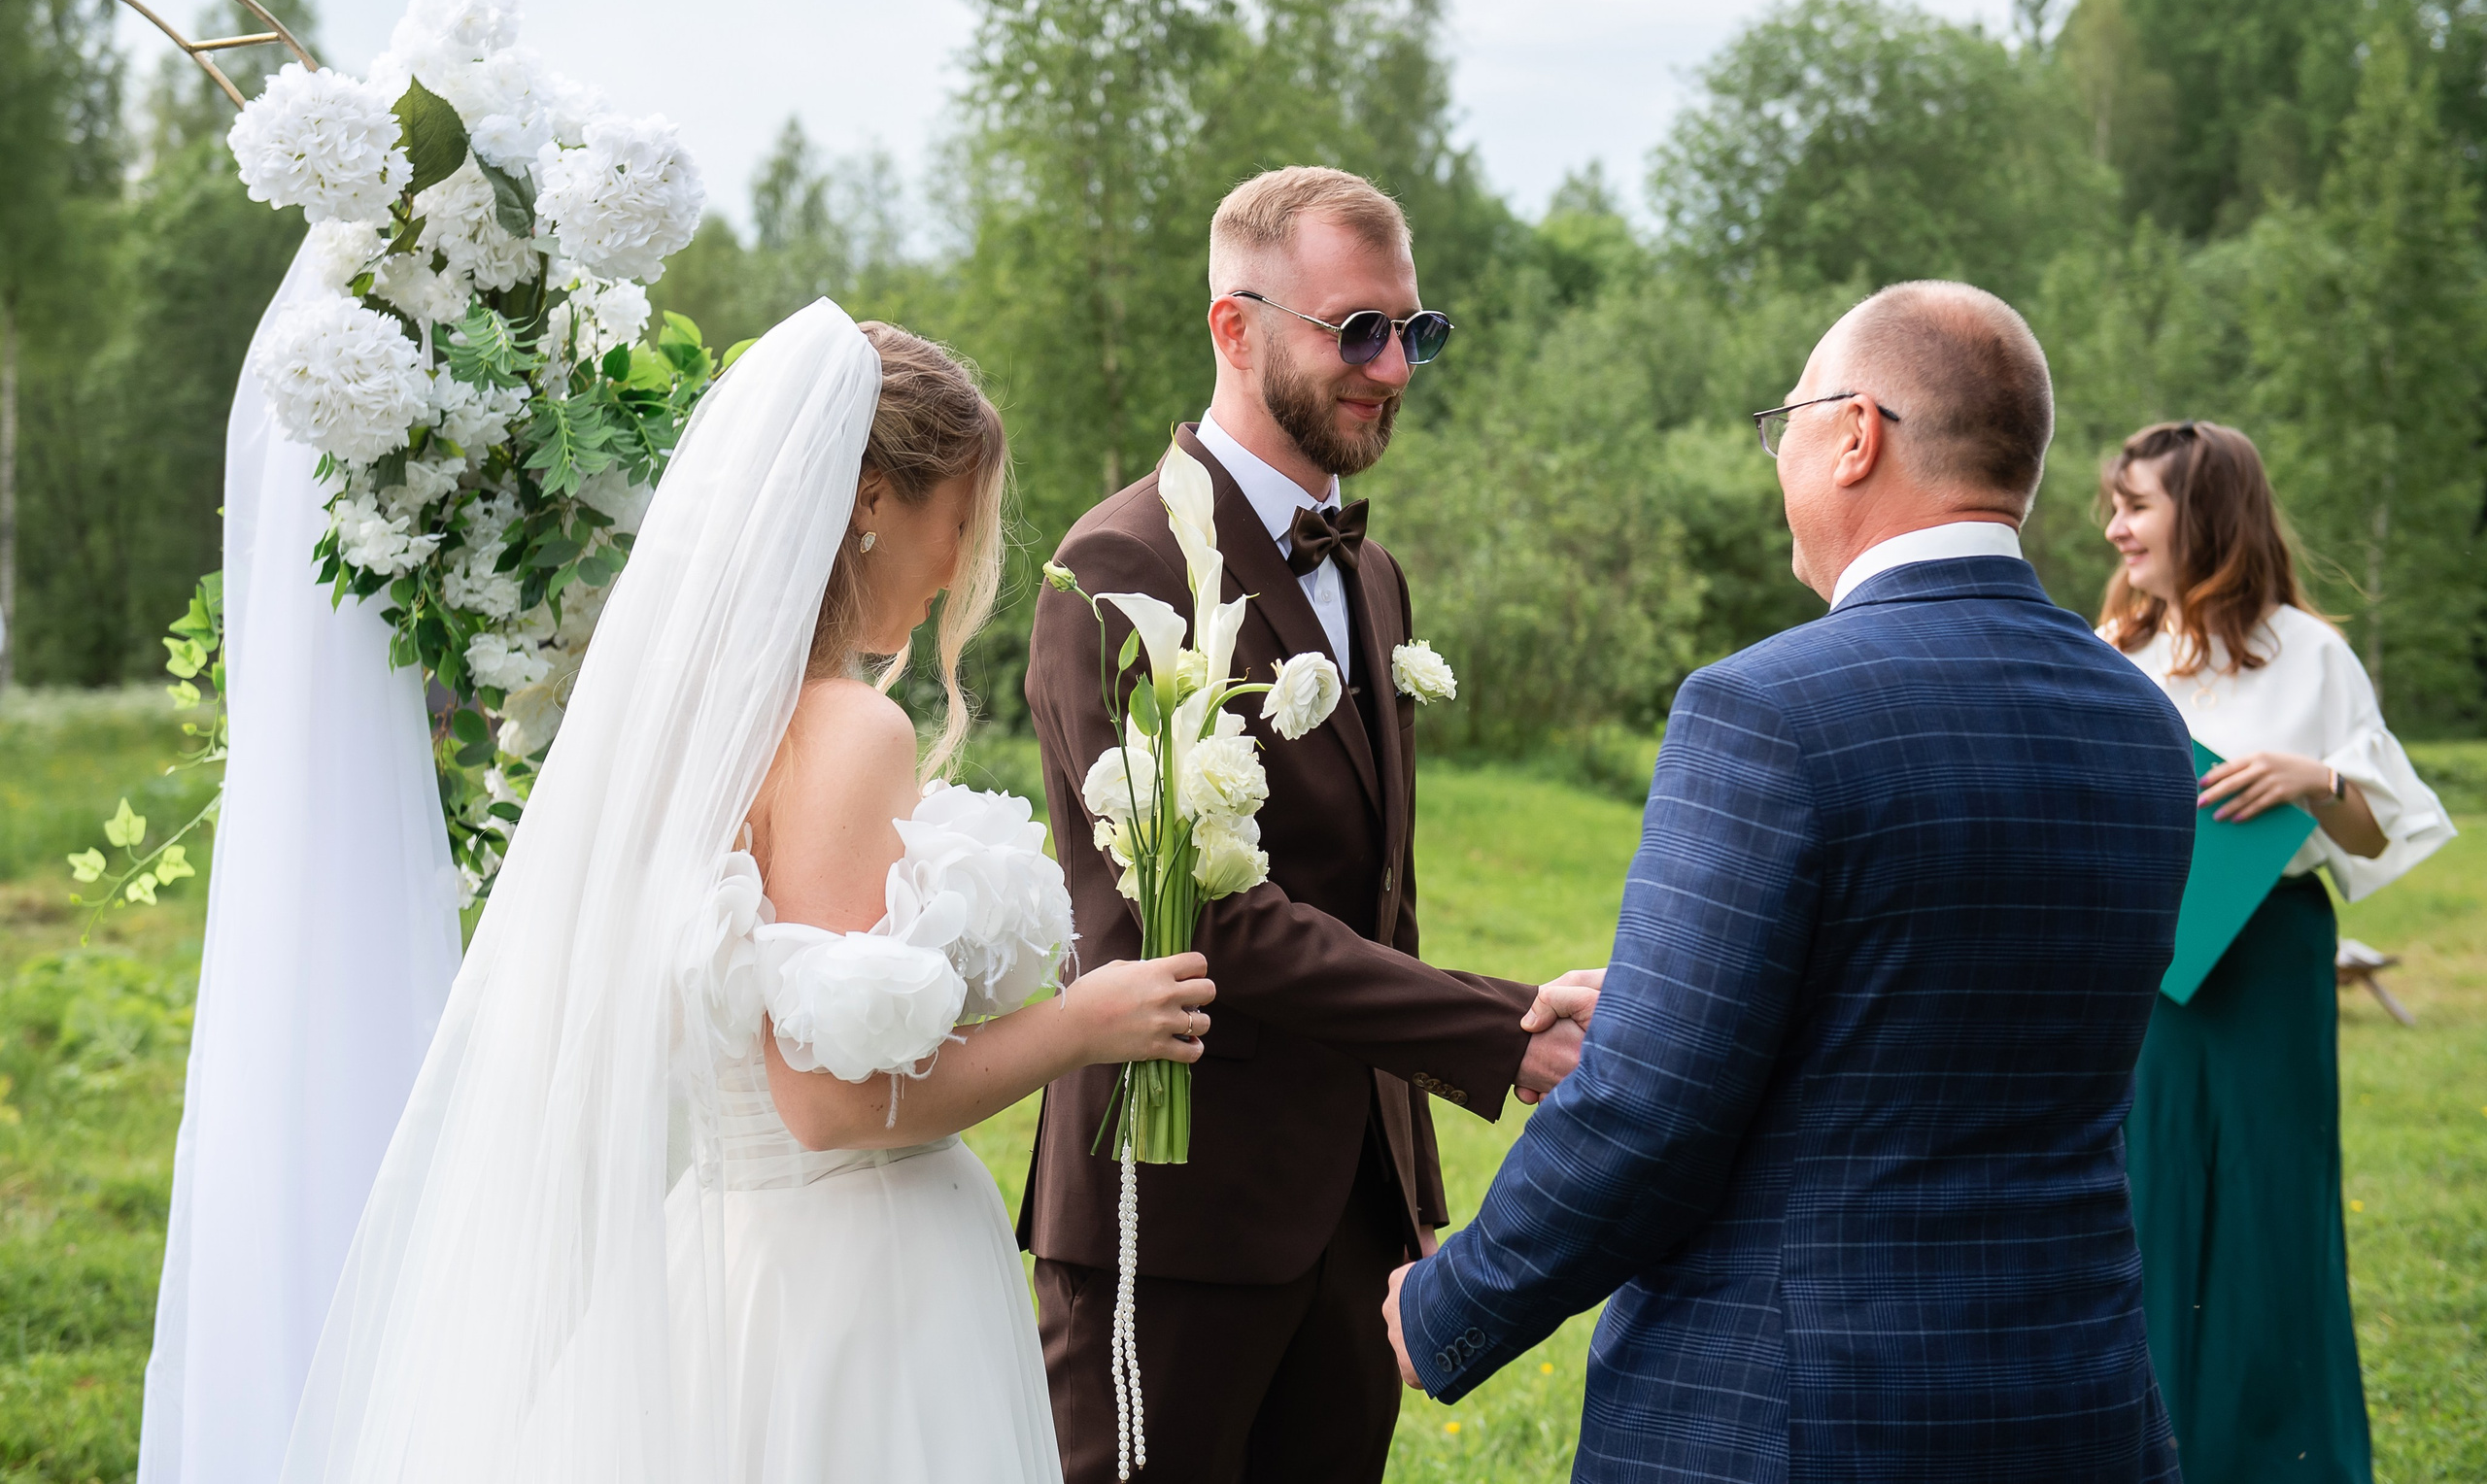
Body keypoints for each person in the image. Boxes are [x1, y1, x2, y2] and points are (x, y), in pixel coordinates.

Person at [276, 301, 1214, 1484]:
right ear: (872, 500)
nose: (955, 569)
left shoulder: (693, 738)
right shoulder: (846, 731)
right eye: (958, 521)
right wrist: (1082, 1022)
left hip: (729, 1255)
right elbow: (826, 1102)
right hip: (855, 1287)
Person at [1385, 282, 2203, 1481]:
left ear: (1857, 432)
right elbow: (1975, 1001)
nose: (1781, 460)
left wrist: (1450, 1297)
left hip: (1799, 1410)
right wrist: (1684, 991)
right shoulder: (2138, 718)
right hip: (2071, 1390)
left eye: (1788, 424)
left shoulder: (1764, 706)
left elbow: (1649, 1114)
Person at [1020, 165, 1594, 1484]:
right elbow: (1216, 919)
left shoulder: (1371, 572)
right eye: (1357, 331)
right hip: (1175, 1208)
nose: (1394, 368)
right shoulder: (1123, 570)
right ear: (1235, 326)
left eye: (1416, 330)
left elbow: (1367, 890)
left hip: (1355, 1209)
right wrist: (1504, 1031)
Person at [2099, 421, 2455, 1484]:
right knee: (2144, 1198)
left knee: (2267, 1203)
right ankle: (2142, 1450)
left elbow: (2374, 833)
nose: (2114, 528)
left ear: (2202, 516)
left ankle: (2285, 1456)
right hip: (2144, 965)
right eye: (2111, 507)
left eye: (2135, 506)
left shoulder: (2311, 652)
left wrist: (2314, 777)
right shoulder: (2114, 647)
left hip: (2266, 963)